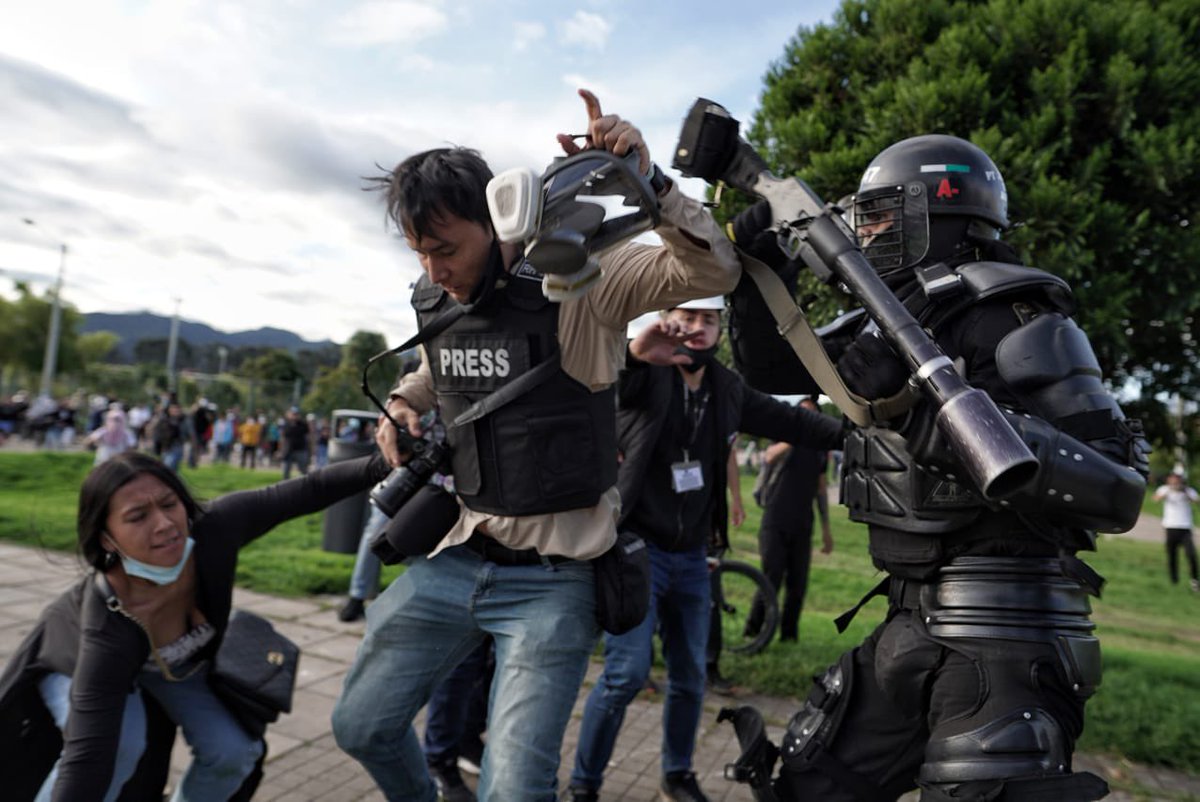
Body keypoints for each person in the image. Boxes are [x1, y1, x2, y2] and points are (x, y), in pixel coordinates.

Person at [331, 90, 743, 802]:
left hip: (554, 582)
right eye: (419, 253)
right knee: (360, 725)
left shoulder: (582, 279)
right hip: (455, 556)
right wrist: (401, 405)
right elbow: (435, 368)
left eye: (446, 250)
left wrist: (650, 182)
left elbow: (714, 273)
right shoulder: (437, 298)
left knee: (516, 790)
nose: (434, 271)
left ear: (496, 223)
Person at [725, 135, 1149, 801]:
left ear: (937, 211)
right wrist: (757, 269)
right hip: (910, 617)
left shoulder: (1016, 318)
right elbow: (773, 367)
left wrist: (930, 423)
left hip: (1006, 636)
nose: (869, 232)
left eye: (882, 214)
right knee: (810, 787)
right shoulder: (892, 315)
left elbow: (1117, 486)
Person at [565, 298, 843, 802]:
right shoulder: (646, 373)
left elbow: (795, 424)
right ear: (667, 319)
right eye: (687, 316)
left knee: (692, 676)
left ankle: (677, 775)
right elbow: (615, 377)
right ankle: (584, 784)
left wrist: (860, 431)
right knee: (626, 675)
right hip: (637, 551)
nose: (696, 327)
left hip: (693, 556)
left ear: (720, 330)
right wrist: (636, 354)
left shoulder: (727, 388)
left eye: (708, 319)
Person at [0, 449, 391, 801]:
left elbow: (308, 489)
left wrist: (387, 460)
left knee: (233, 753)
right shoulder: (106, 625)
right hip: (74, 658)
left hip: (173, 665)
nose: (165, 524)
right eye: (137, 516)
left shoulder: (214, 529)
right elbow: (87, 758)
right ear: (106, 539)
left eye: (169, 504)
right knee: (120, 748)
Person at [746, 396, 834, 643]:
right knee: (770, 577)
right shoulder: (783, 439)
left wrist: (826, 530)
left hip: (803, 522)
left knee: (798, 583)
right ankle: (754, 629)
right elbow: (769, 456)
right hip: (775, 519)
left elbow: (821, 489)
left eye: (812, 415)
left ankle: (789, 635)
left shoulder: (819, 450)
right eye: (802, 414)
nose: (807, 419)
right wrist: (796, 434)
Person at [1152, 472, 1200, 591]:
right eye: (1173, 479)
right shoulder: (1164, 489)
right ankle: (1174, 580)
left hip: (1185, 527)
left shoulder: (1188, 491)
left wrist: (1185, 492)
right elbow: (1155, 499)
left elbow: (1197, 501)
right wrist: (1169, 491)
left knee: (1191, 554)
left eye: (1177, 479)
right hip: (1170, 526)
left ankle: (1194, 580)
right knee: (1172, 555)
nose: (1175, 482)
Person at [281, 407, 311, 479]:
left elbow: (308, 437)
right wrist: (280, 450)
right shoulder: (286, 424)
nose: (294, 416)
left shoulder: (303, 424)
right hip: (288, 450)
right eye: (293, 414)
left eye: (296, 414)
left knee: (303, 470)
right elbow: (283, 437)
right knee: (286, 471)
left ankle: (307, 484)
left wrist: (310, 450)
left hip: (300, 450)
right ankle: (285, 484)